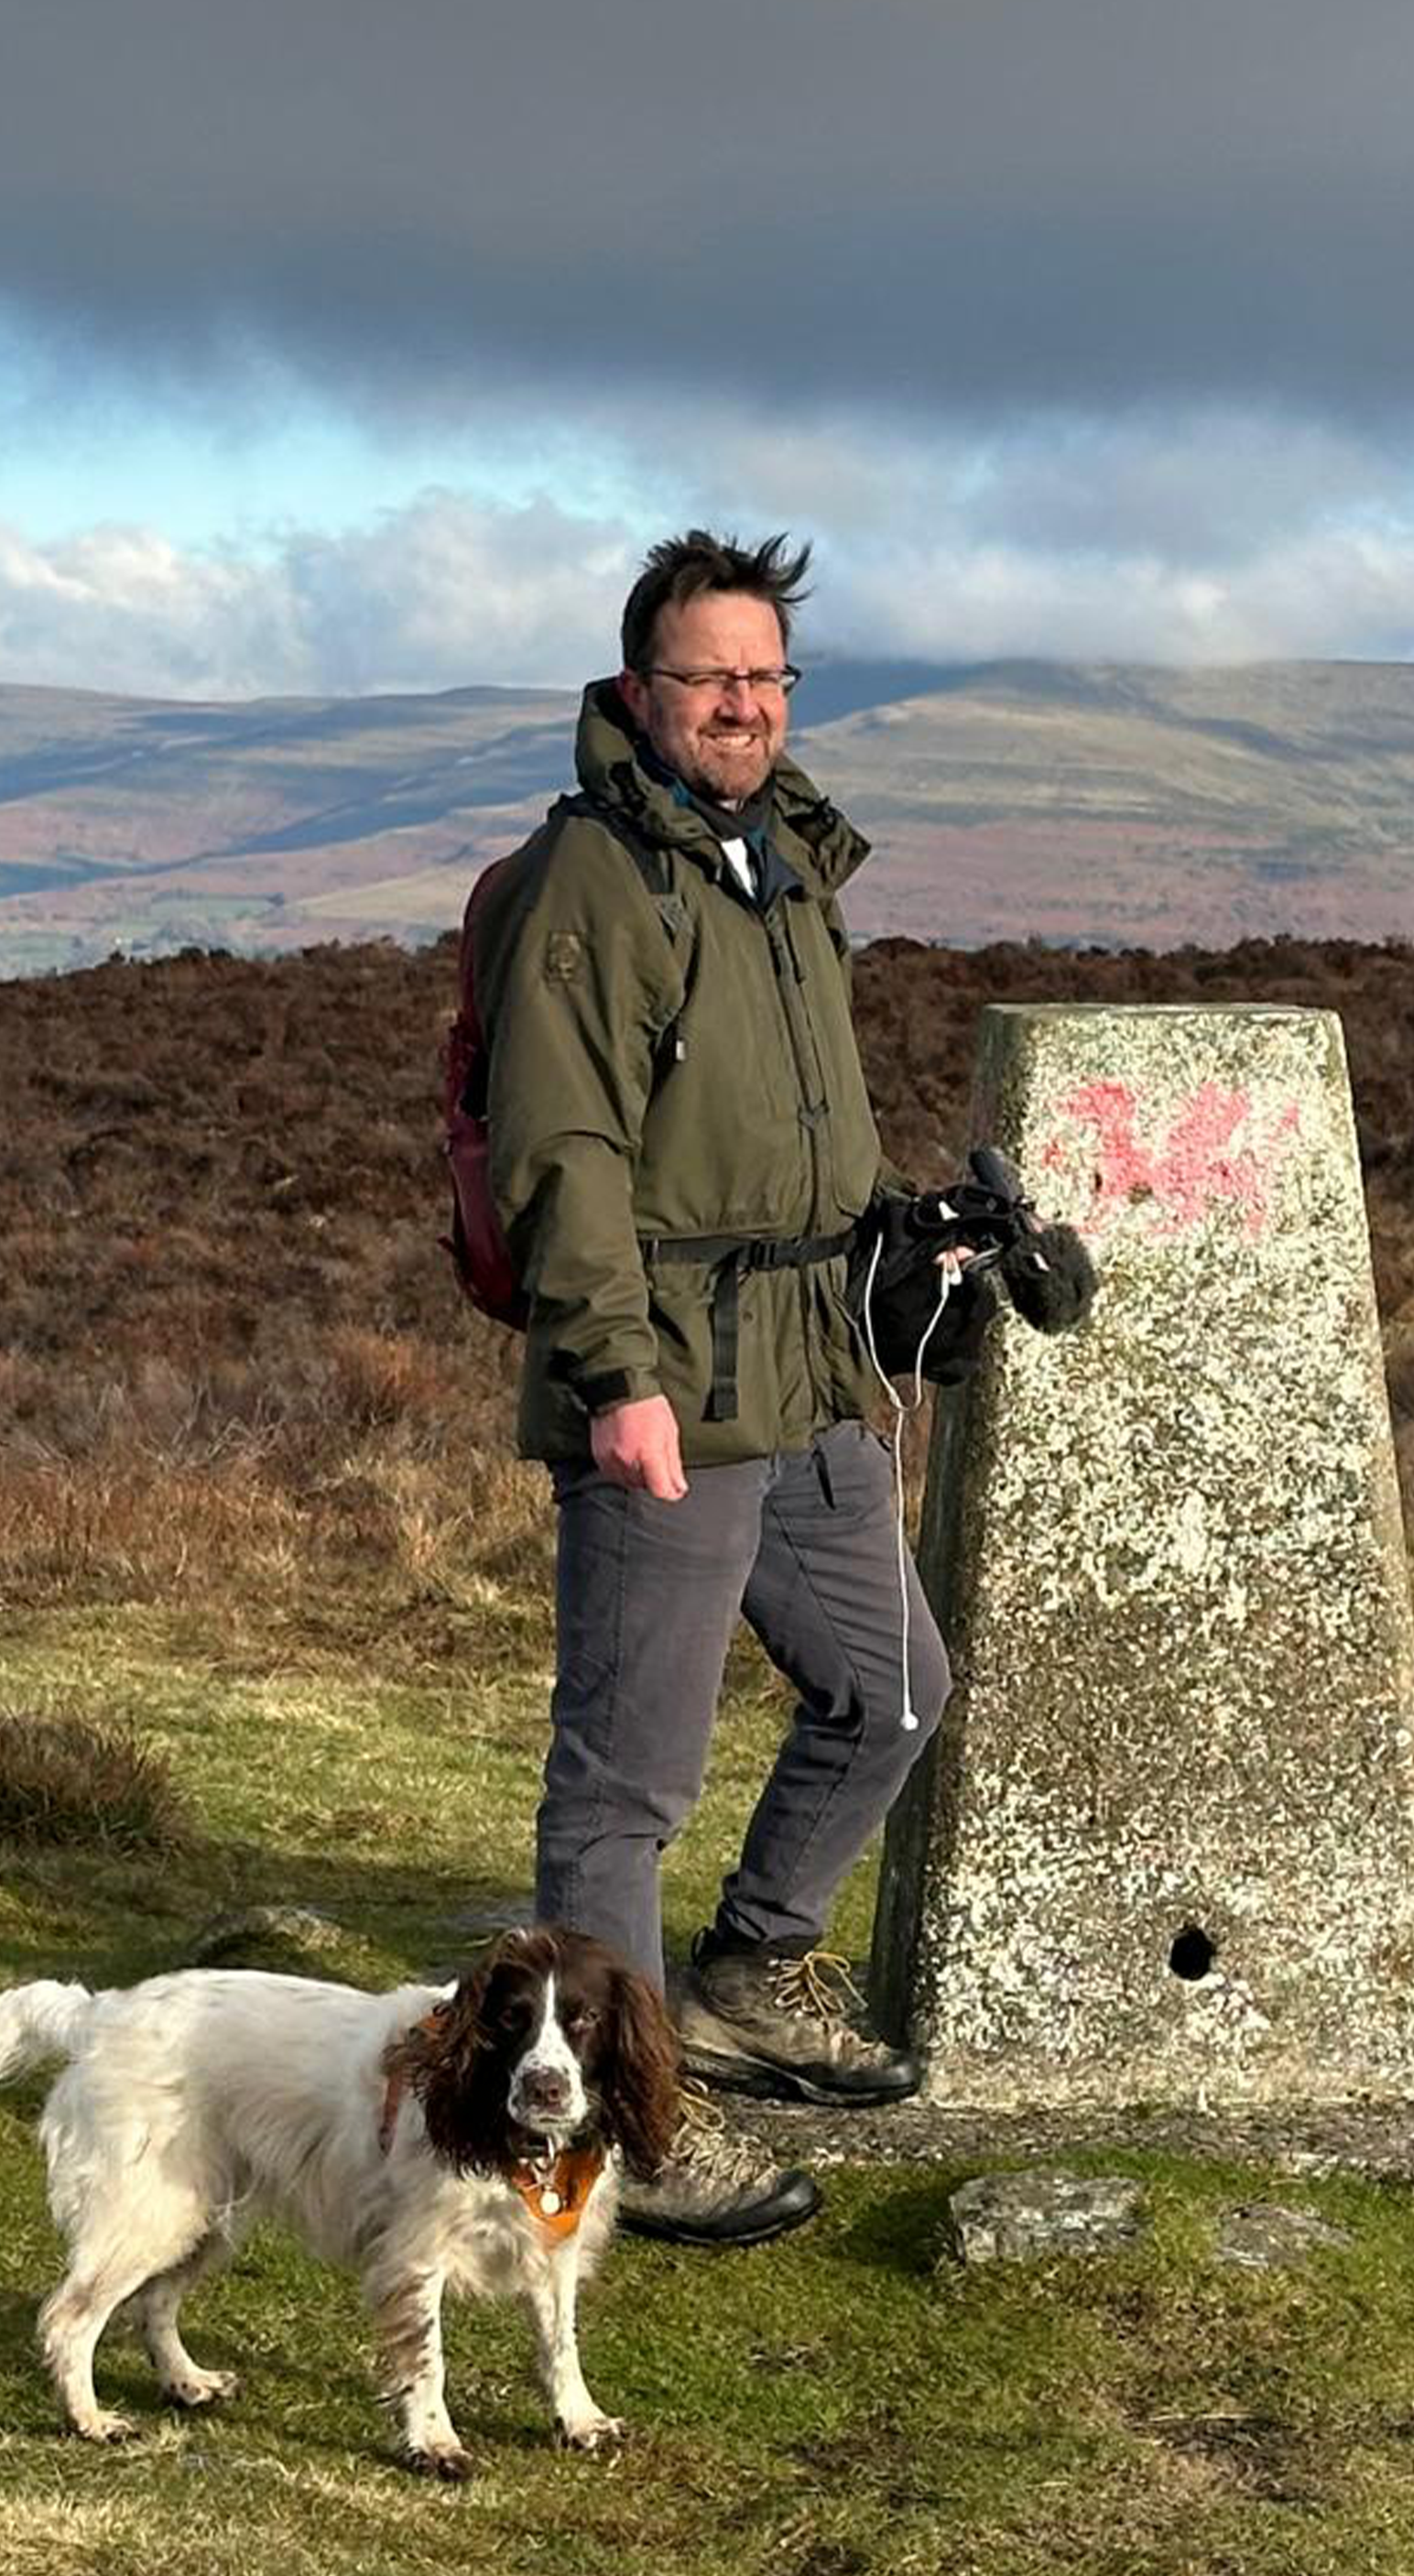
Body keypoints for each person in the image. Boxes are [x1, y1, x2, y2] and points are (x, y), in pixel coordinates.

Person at [463, 529, 950, 2248]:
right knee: (622, 1790)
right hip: (666, 1374)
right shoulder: (598, 876)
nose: (741, 704)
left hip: (805, 1365)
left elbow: (784, 1124)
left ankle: (745, 1974)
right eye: (707, 678)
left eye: (765, 675)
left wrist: (903, 1249)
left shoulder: (785, 865)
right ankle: (622, 2130)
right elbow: (564, 1146)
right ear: (636, 691)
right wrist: (615, 1374)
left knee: (891, 1690)